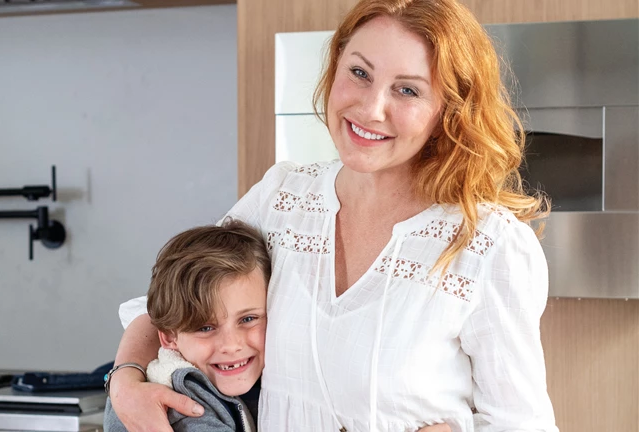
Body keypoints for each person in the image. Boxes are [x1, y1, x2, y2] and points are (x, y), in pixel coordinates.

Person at [106, 0, 559, 431]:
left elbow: (522, 423)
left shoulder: (488, 244)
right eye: (359, 73)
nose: (370, 108)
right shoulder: (281, 197)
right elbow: (172, 305)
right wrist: (124, 382)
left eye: (407, 90)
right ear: (335, 67)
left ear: (448, 111)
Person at [104, 220, 270, 432]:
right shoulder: (186, 408)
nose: (231, 345)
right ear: (169, 337)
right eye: (205, 328)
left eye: (247, 319)